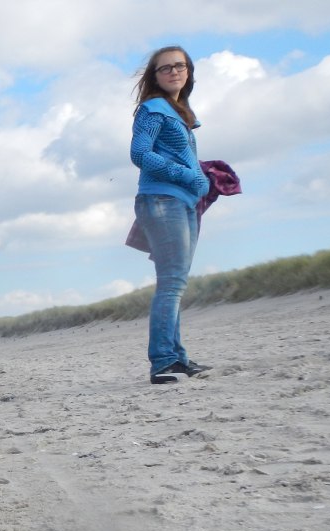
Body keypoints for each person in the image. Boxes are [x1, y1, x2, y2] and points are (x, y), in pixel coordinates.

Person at [130, 45, 213, 385]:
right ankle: (163, 361)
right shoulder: (153, 109)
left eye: (179, 65)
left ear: (188, 71)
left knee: (175, 282)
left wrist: (202, 178)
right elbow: (139, 153)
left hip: (180, 202)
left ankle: (176, 357)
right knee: (172, 283)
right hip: (162, 200)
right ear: (155, 76)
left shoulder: (179, 112)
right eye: (165, 68)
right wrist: (187, 175)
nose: (173, 71)